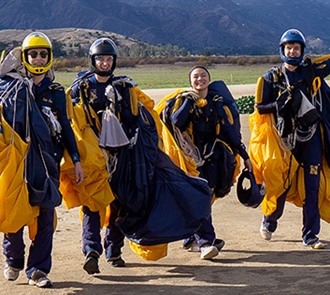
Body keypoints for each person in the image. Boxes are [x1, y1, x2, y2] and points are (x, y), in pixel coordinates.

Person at [1, 32, 84, 288]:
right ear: (24, 57)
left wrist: (77, 159)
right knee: (14, 211)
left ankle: (37, 270)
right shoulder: (8, 88)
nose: (38, 58)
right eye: (33, 54)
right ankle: (14, 259)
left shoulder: (57, 93)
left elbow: (67, 128)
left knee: (45, 216)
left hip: (48, 164)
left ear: (50, 57)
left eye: (43, 54)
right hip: (18, 163)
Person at [156, 65, 252, 259]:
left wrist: (245, 156)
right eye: (195, 77)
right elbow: (176, 122)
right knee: (200, 198)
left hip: (210, 160)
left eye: (203, 76)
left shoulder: (217, 104)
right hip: (189, 162)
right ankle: (206, 242)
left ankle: (191, 237)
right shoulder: (185, 101)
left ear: (209, 79)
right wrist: (188, 102)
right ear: (190, 82)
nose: (200, 79)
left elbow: (228, 133)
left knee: (205, 199)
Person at [250, 28, 330, 249]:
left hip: (311, 136)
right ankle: (270, 220)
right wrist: (279, 105)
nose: (292, 51)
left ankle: (311, 235)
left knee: (312, 187)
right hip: (284, 140)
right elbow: (259, 107)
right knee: (282, 185)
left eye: (296, 47)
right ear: (283, 50)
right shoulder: (270, 78)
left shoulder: (310, 72)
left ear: (301, 50)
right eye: (289, 47)